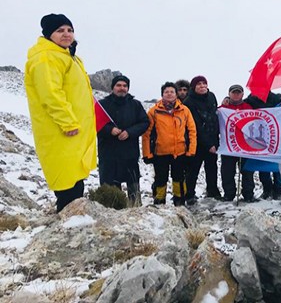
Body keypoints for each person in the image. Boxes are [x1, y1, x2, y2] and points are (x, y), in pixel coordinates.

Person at [25, 13, 97, 212]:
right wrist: (68, 122)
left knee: (75, 180)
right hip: (62, 131)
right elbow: (50, 93)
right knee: (67, 184)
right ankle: (67, 226)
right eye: (60, 30)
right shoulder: (46, 58)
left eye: (70, 30)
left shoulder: (68, 56)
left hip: (74, 133)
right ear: (49, 35)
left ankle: (72, 222)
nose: (66, 34)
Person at [97, 75, 149, 207]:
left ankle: (135, 208)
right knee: (110, 186)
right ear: (113, 87)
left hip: (129, 153)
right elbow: (94, 124)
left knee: (132, 183)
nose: (122, 88)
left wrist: (129, 132)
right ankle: (113, 210)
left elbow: (144, 122)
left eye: (125, 86)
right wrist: (109, 130)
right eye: (118, 85)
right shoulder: (102, 105)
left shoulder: (135, 105)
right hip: (109, 154)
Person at [142, 82, 197, 206]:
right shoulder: (154, 111)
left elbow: (192, 131)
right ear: (162, 94)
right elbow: (147, 134)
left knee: (179, 179)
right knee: (160, 179)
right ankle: (159, 202)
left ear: (176, 94)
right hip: (160, 152)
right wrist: (147, 153)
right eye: (166, 92)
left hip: (180, 152)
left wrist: (191, 151)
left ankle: (179, 202)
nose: (169, 94)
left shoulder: (184, 110)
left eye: (172, 91)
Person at [183, 75, 221, 204]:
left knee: (212, 168)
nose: (202, 86)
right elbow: (196, 125)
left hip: (213, 139)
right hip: (196, 142)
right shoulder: (189, 102)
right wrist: (208, 144)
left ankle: (212, 190)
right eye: (199, 84)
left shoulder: (212, 97)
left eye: (204, 83)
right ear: (193, 87)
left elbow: (215, 117)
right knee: (193, 169)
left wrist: (215, 141)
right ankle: (189, 194)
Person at [244, 91, 281, 200]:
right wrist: (227, 99)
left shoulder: (276, 98)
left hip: (274, 137)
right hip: (259, 137)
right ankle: (267, 189)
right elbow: (240, 105)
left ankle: (278, 190)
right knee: (262, 165)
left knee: (277, 166)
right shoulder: (251, 100)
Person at [219, 84, 257, 202]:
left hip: (245, 145)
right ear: (229, 94)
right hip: (229, 145)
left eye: (238, 92)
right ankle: (229, 194)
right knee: (227, 171)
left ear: (242, 94)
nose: (236, 95)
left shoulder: (248, 107)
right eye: (234, 92)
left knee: (247, 171)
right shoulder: (222, 108)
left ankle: (248, 194)